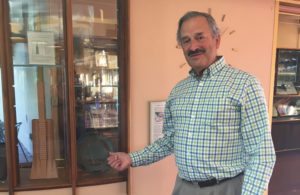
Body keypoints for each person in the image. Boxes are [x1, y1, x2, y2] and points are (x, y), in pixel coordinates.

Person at [107, 11, 276, 195]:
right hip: (183, 188)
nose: (193, 46)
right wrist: (131, 158)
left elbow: (262, 154)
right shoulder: (178, 91)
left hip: (227, 189)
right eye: (186, 40)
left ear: (217, 40)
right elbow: (170, 140)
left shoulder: (245, 85)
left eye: (199, 37)